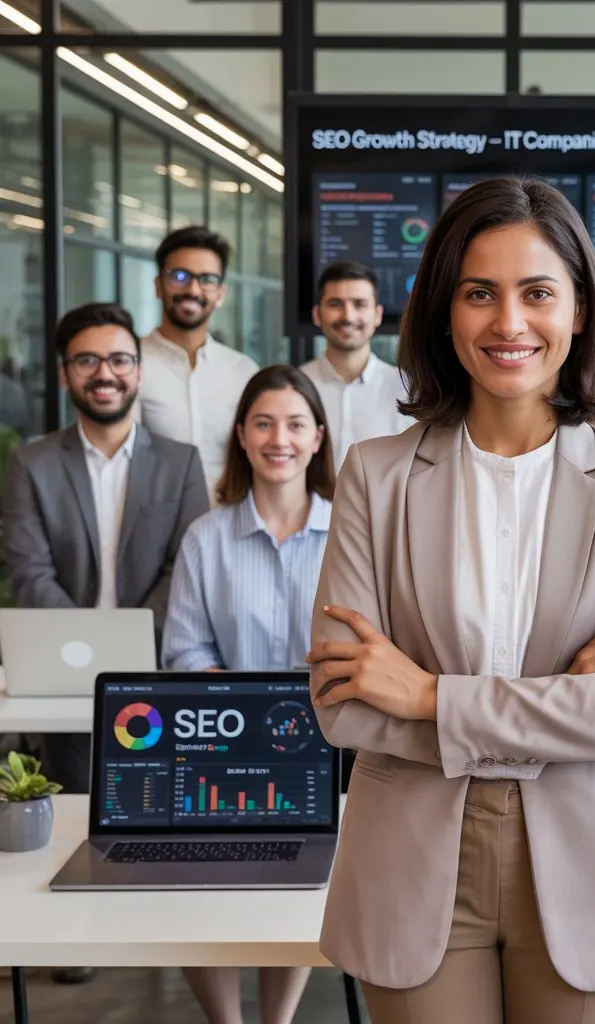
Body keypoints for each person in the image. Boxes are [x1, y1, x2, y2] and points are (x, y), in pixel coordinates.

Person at [306, 178, 595, 1024]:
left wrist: (430, 696)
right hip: (412, 863)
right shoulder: (375, 475)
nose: (509, 323)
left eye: (537, 293)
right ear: (444, 310)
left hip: (592, 860)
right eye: (479, 293)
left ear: (581, 312)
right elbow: (344, 707)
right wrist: (571, 694)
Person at [162, 364, 335, 1024]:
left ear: (317, 438)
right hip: (221, 743)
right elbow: (184, 651)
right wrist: (244, 713)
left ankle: (276, 1019)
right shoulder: (206, 538)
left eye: (295, 424)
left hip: (322, 746)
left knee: (294, 888)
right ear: (241, 435)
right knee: (196, 887)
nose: (279, 438)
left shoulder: (351, 537)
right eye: (263, 423)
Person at [2, 302, 208, 794]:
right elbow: (30, 573)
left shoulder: (181, 463)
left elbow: (185, 568)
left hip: (157, 675)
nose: (104, 374)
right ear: (64, 375)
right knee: (73, 818)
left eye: (119, 359)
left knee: (161, 811)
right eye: (86, 361)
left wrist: (129, 647)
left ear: (138, 371)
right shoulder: (32, 464)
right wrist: (88, 650)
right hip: (64, 682)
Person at [135, 225, 259, 503]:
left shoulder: (243, 371)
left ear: (220, 294)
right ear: (158, 286)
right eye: (179, 276)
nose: (192, 289)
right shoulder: (130, 365)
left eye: (206, 279)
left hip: (229, 531)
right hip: (156, 534)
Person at [299, 260, 414, 468]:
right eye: (335, 304)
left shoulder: (407, 390)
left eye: (359, 304)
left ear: (377, 314)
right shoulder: (296, 387)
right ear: (317, 314)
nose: (348, 316)